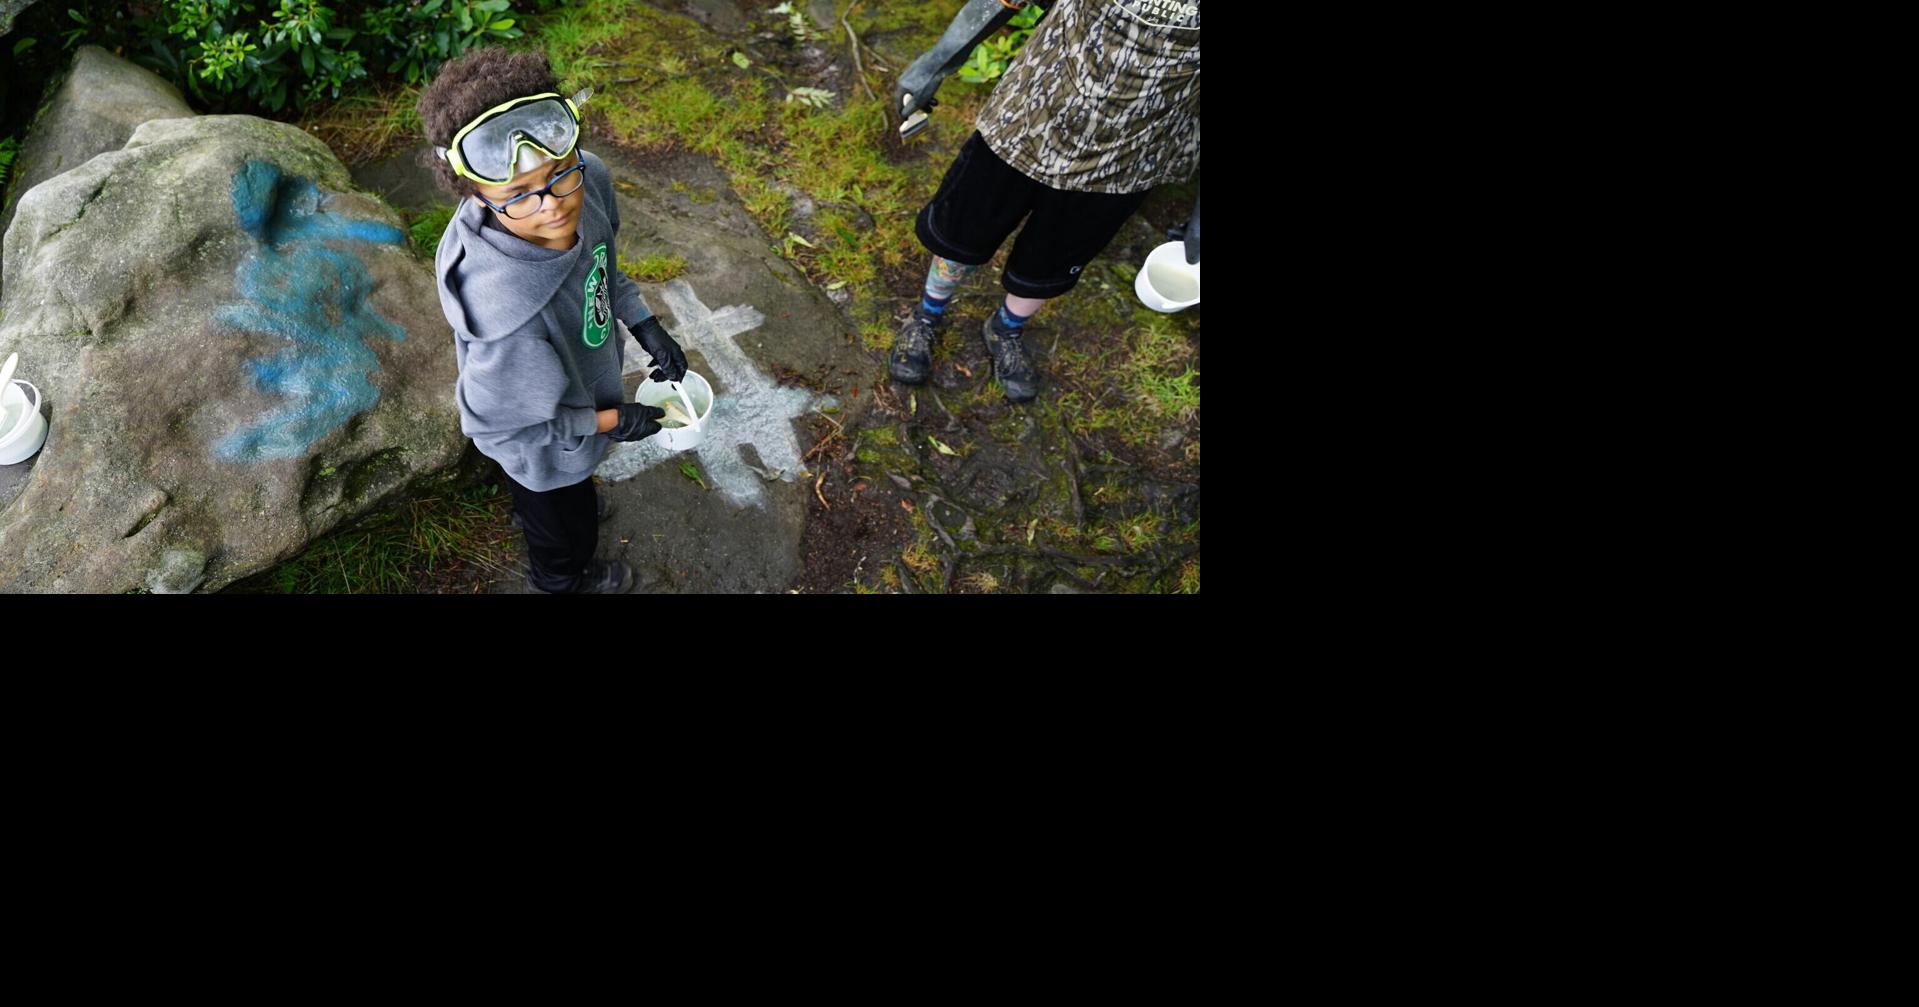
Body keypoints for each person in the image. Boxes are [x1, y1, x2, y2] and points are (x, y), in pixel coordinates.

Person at [420, 48, 688, 594]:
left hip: (570, 407)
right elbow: (502, 427)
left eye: (561, 173)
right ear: (476, 193)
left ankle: (557, 505)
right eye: (519, 194)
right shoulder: (509, 322)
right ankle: (561, 579)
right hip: (539, 445)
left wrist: (641, 320)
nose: (552, 205)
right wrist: (613, 423)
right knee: (562, 530)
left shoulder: (590, 183)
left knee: (570, 497)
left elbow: (602, 264)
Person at [888, 0, 1200, 403]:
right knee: (962, 233)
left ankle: (1006, 328)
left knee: (1051, 260)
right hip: (1028, 118)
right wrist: (934, 63)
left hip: (1128, 158)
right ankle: (927, 316)